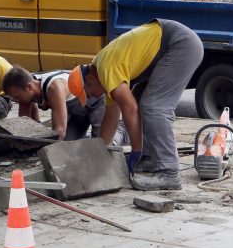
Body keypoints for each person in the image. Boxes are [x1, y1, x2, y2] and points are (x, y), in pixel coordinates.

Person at [67, 19, 203, 191]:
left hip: (179, 44)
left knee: (154, 107)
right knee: (139, 98)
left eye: (88, 92)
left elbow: (130, 109)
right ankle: (151, 159)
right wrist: (100, 151)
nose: (92, 96)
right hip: (173, 45)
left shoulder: (106, 68)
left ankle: (169, 172)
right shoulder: (103, 69)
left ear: (90, 79)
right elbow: (112, 115)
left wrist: (135, 151)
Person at [2, 66, 127, 144]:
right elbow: (24, 124)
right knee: (68, 145)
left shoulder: (53, 88)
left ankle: (121, 131)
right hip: (73, 111)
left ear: (29, 87)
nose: (16, 101)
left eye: (17, 97)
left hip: (94, 102)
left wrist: (45, 153)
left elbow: (59, 130)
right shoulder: (27, 87)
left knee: (102, 145)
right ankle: (87, 136)